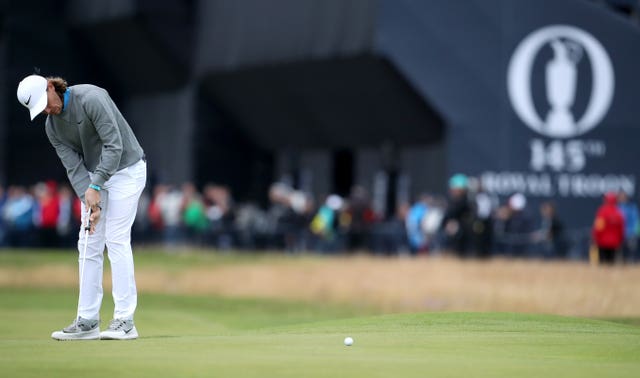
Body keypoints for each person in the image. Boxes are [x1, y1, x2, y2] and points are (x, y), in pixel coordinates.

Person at [17, 74, 147, 340]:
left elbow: (115, 146)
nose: (46, 109)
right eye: (39, 108)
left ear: (51, 86)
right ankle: (87, 321)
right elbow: (74, 169)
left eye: (45, 101)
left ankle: (125, 321)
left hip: (127, 170)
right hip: (94, 179)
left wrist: (95, 186)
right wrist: (90, 200)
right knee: (87, 241)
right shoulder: (52, 128)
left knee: (116, 238)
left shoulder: (91, 98)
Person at [592, 192, 624, 265]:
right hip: (614, 243)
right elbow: (621, 230)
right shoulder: (619, 213)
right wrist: (620, 241)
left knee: (602, 263)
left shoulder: (602, 212)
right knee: (611, 263)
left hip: (602, 242)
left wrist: (595, 238)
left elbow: (598, 228)